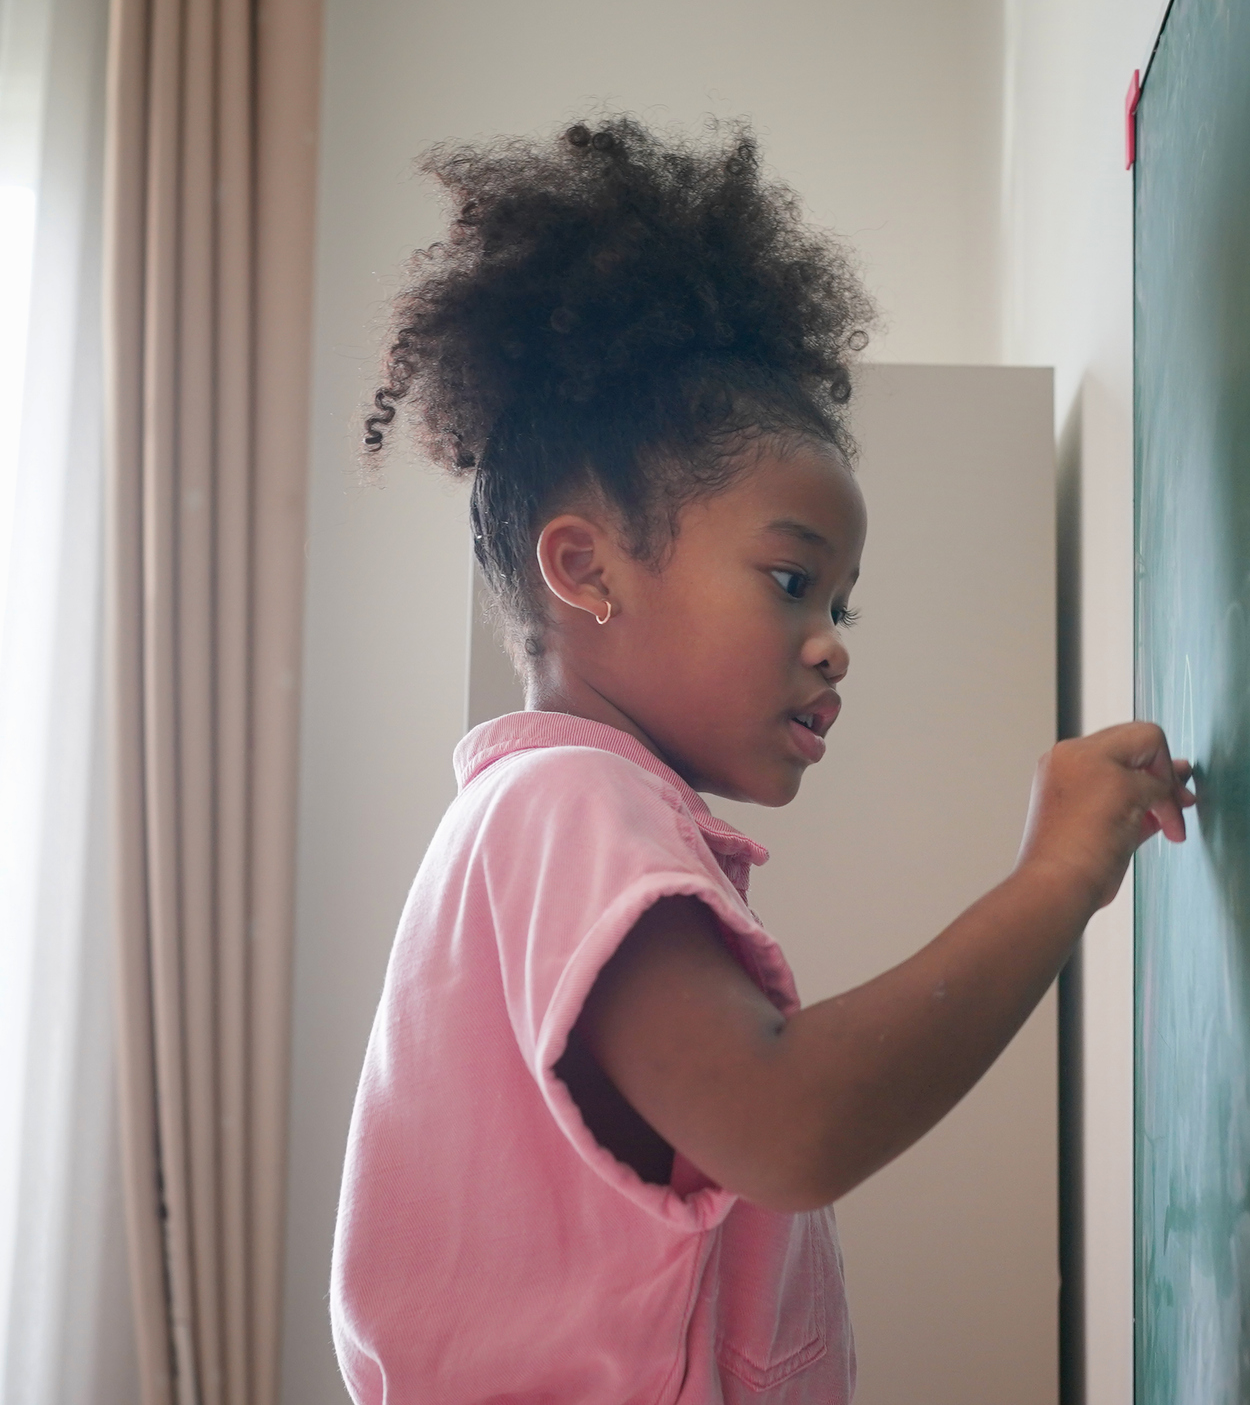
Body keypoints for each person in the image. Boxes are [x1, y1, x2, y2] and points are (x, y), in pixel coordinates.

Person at [329, 116, 1194, 1404]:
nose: (830, 645)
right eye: (792, 581)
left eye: (841, 606)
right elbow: (788, 1125)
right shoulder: (566, 805)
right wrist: (1054, 876)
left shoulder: (562, 815)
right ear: (585, 568)